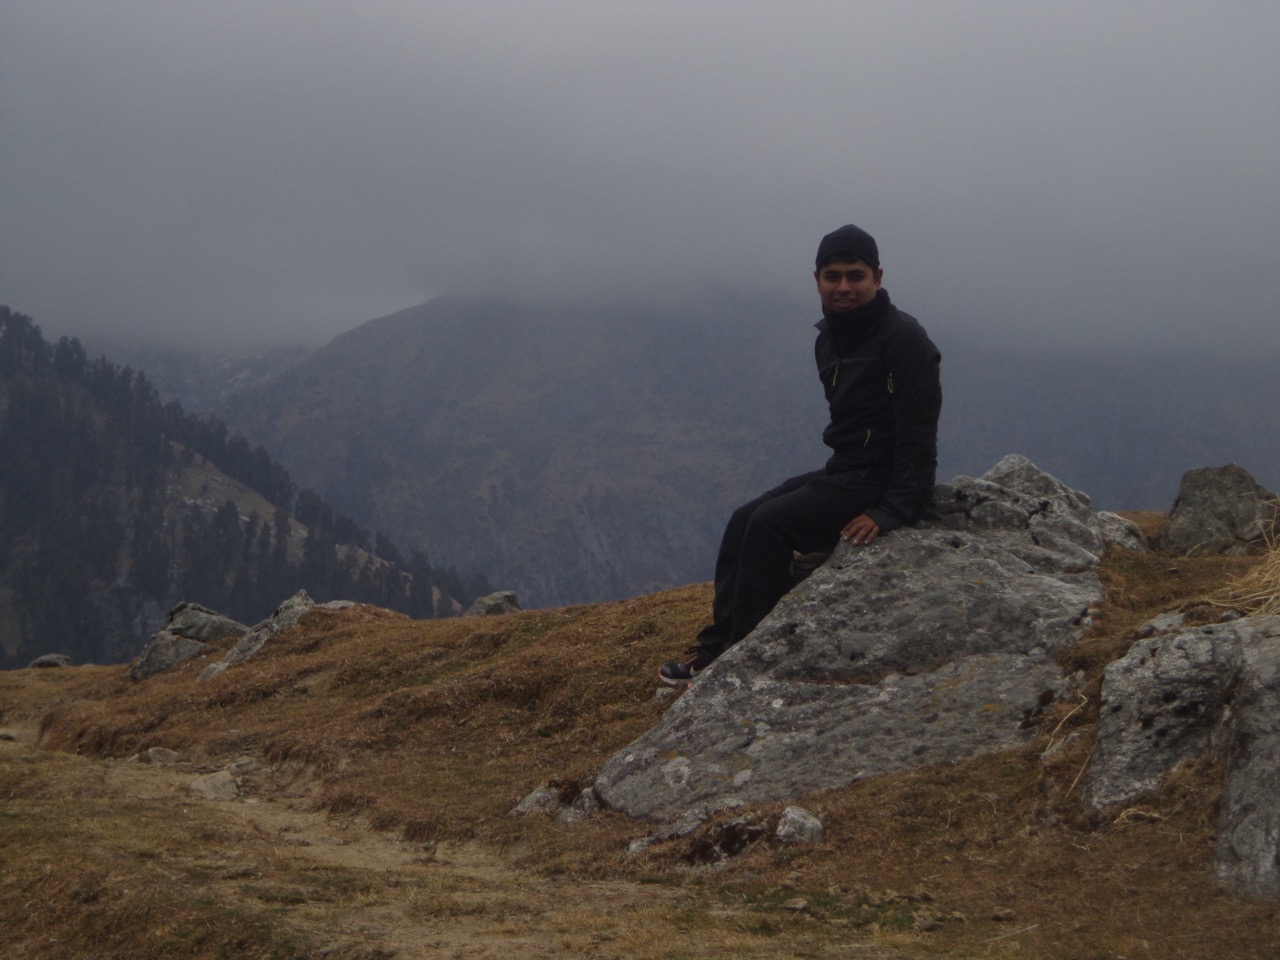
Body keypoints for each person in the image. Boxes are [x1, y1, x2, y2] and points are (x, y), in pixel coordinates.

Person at [659, 223, 942, 684]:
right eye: (833, 276)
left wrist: (893, 509)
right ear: (817, 280)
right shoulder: (829, 340)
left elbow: (919, 433)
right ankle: (715, 648)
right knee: (743, 519)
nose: (843, 286)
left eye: (856, 276)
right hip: (845, 470)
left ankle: (741, 660)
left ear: (878, 277)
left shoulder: (904, 339)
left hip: (880, 481)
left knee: (770, 524)